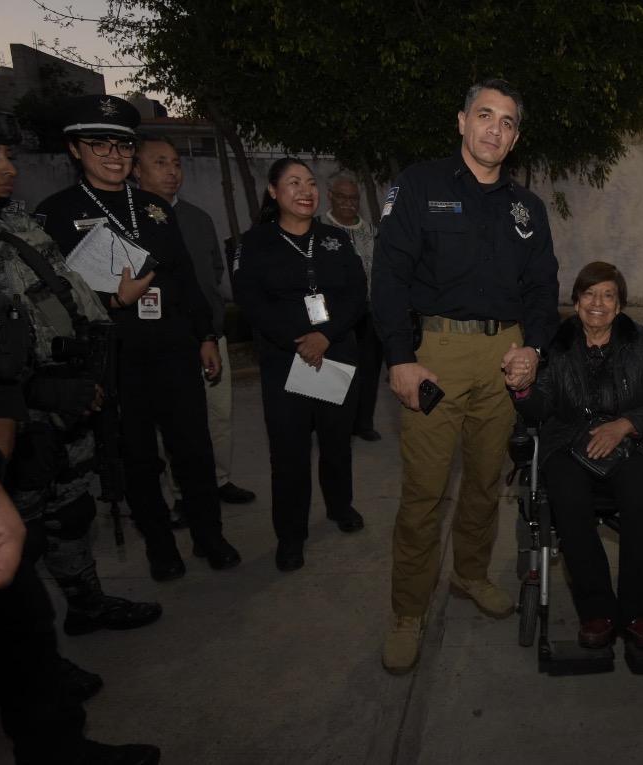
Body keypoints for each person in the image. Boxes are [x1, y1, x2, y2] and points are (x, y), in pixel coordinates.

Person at [372, 78, 559, 673]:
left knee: (484, 484)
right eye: (485, 115)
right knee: (425, 493)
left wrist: (533, 347)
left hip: (503, 359)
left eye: (506, 122)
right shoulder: (419, 185)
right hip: (437, 354)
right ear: (461, 121)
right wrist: (400, 357)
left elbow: (543, 287)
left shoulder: (527, 208)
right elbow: (389, 277)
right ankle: (407, 612)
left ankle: (470, 576)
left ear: (516, 136)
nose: (494, 129)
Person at [35, 94, 240, 581]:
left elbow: (187, 275)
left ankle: (210, 536)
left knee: (193, 448)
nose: (114, 155)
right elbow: (51, 301)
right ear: (74, 149)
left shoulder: (153, 208)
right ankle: (160, 546)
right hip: (115, 357)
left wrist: (205, 335)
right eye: (99, 144)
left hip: (173, 346)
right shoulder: (55, 214)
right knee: (138, 458)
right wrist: (113, 303)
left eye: (123, 146)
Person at [0, 96, 162, 635]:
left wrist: (94, 350)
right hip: (12, 417)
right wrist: (34, 391)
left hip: (68, 398)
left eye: (7, 155)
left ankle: (86, 604)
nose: (8, 168)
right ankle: (29, 648)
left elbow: (66, 297)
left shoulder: (15, 221)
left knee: (72, 510)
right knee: (16, 532)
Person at [509, 262, 643, 649]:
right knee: (567, 499)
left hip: (631, 442)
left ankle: (639, 612)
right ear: (576, 301)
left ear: (619, 306)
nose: (597, 303)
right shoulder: (556, 342)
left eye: (608, 295)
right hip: (568, 441)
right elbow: (541, 407)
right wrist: (521, 389)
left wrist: (625, 425)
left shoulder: (640, 341)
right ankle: (597, 610)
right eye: (589, 294)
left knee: (641, 496)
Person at [234, 158, 368, 572]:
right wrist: (300, 341)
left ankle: (340, 506)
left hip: (334, 354)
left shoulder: (335, 239)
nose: (305, 190)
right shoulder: (255, 243)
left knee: (336, 441)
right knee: (289, 453)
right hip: (286, 361)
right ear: (274, 192)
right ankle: (291, 536)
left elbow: (356, 294)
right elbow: (251, 302)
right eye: (293, 183)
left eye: (310, 182)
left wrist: (325, 337)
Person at [133, 134, 257, 520]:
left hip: (209, 334)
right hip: (163, 340)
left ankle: (218, 480)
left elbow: (213, 273)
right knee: (173, 422)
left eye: (176, 163)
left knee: (218, 414)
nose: (172, 171)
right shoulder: (129, 219)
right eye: (160, 163)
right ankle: (182, 490)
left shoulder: (198, 219)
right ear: (136, 170)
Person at [322, 170, 382, 442]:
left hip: (369, 313)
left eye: (353, 198)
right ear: (330, 197)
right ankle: (336, 425)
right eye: (342, 197)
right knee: (336, 369)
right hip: (335, 315)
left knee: (369, 370)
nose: (348, 202)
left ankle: (363, 422)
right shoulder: (319, 228)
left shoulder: (372, 231)